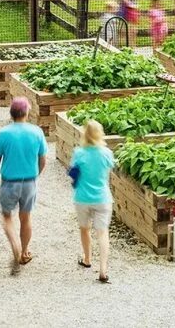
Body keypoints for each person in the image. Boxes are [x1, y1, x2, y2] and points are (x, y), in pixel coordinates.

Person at [0, 97, 47, 275]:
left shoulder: (4, 134)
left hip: (9, 182)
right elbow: (43, 159)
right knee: (26, 217)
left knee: (7, 217)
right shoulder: (36, 132)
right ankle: (23, 251)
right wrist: (36, 173)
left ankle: (14, 244)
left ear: (11, 113)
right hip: (29, 182)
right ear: (27, 112)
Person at [70, 120, 114, 284]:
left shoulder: (79, 153)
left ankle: (87, 259)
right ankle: (103, 270)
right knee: (102, 233)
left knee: (84, 229)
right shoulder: (106, 153)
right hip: (102, 198)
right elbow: (108, 171)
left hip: (82, 197)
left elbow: (73, 173)